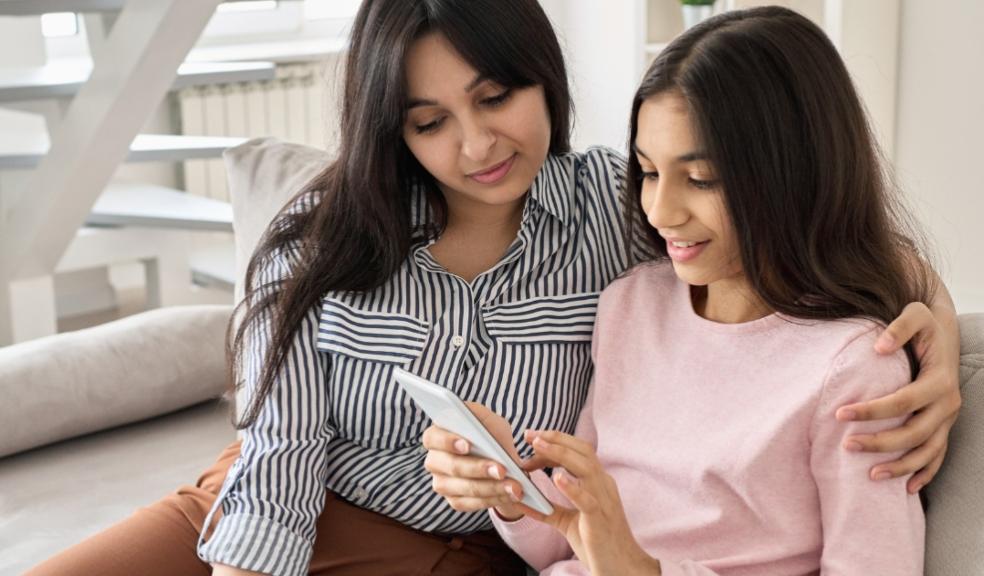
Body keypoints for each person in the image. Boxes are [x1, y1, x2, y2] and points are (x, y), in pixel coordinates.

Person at [28, 2, 960, 576]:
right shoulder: (322, 240)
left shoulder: (614, 204)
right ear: (392, 130)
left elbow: (810, 233)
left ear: (541, 78)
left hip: (454, 548)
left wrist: (938, 340)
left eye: (496, 96)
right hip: (268, 506)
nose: (476, 146)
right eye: (429, 121)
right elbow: (278, 459)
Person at [424, 6, 943, 574]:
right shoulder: (631, 305)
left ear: (793, 172)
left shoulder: (853, 369)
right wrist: (511, 483)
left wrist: (641, 570)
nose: (660, 210)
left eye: (700, 179)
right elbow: (564, 543)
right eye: (647, 172)